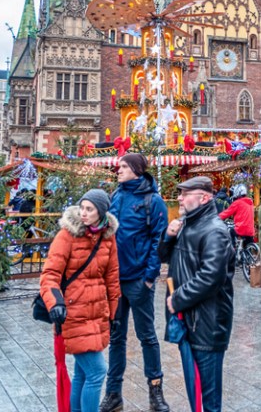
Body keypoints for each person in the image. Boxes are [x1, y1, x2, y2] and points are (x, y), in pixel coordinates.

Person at [40, 189, 120, 412]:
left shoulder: (108, 237)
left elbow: (112, 277)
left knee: (83, 373)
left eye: (90, 209)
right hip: (73, 313)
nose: (84, 213)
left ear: (101, 212)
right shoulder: (67, 235)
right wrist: (55, 302)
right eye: (82, 208)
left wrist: (115, 314)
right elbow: (50, 274)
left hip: (97, 314)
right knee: (97, 371)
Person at [160, 176, 235, 412]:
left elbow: (211, 277)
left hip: (207, 323)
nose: (180, 198)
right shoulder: (186, 225)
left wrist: (178, 299)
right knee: (196, 394)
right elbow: (165, 258)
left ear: (204, 197)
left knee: (208, 399)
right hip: (189, 320)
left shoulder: (215, 231)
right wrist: (168, 238)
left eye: (185, 193)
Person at [102, 153, 170, 412]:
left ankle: (156, 392)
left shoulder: (153, 201)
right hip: (115, 280)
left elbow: (158, 241)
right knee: (116, 337)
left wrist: (150, 278)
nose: (117, 169)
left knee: (147, 336)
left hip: (139, 280)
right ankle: (113, 393)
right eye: (118, 165)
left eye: (123, 166)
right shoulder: (116, 195)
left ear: (136, 170)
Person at [219, 183, 255, 249]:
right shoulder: (250, 202)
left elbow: (226, 213)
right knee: (247, 247)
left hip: (241, 229)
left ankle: (233, 250)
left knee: (230, 231)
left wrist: (216, 218)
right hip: (250, 230)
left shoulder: (237, 203)